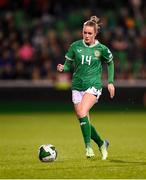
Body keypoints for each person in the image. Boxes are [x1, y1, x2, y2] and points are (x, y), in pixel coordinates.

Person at [57, 16, 115, 160]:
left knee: (82, 111)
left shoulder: (102, 49)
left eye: (90, 33)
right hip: (77, 86)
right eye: (85, 33)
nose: (87, 35)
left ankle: (88, 147)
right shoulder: (75, 46)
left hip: (93, 85)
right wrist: (62, 68)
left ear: (95, 34)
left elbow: (111, 63)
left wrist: (111, 82)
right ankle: (102, 143)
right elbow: (67, 65)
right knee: (83, 118)